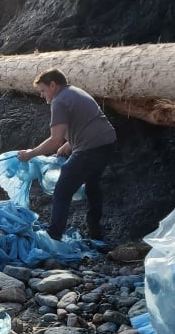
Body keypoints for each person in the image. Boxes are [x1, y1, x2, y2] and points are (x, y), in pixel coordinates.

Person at [17, 68, 116, 240]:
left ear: (53, 85)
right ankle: (95, 232)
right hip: (107, 143)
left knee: (62, 191)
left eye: (43, 90)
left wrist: (30, 154)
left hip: (89, 149)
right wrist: (70, 144)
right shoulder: (75, 91)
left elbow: (55, 140)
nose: (41, 95)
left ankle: (53, 235)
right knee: (92, 185)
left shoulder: (60, 101)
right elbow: (87, 121)